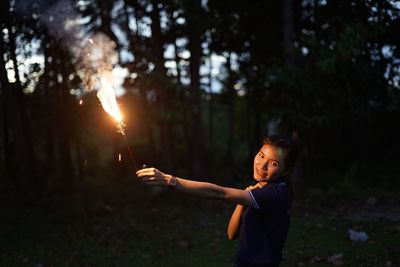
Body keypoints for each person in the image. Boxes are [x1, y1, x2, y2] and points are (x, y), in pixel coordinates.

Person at [136, 134, 298, 267]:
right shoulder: (260, 192)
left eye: (273, 163)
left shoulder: (274, 194)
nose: (262, 165)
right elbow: (231, 234)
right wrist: (242, 202)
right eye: (261, 155)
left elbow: (219, 193)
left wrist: (168, 180)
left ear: (287, 170)